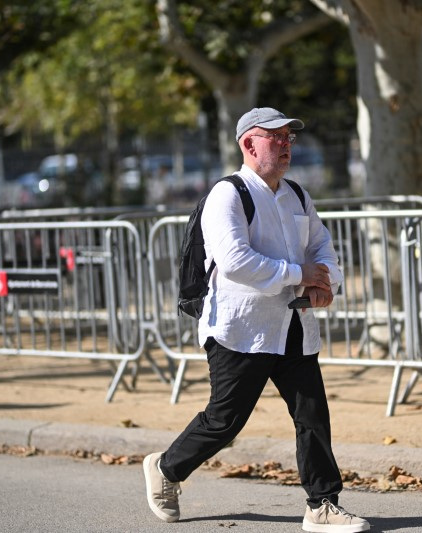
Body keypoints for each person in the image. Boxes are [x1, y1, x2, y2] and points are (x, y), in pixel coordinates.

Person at [143, 107, 370, 532]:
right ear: (248, 143)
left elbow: (322, 248)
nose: (286, 144)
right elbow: (234, 262)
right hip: (240, 329)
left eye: (289, 138)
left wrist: (327, 283)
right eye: (276, 137)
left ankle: (322, 504)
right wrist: (300, 275)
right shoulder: (227, 195)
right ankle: (167, 468)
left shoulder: (298, 195)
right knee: (224, 421)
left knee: (313, 416)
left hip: (293, 326)